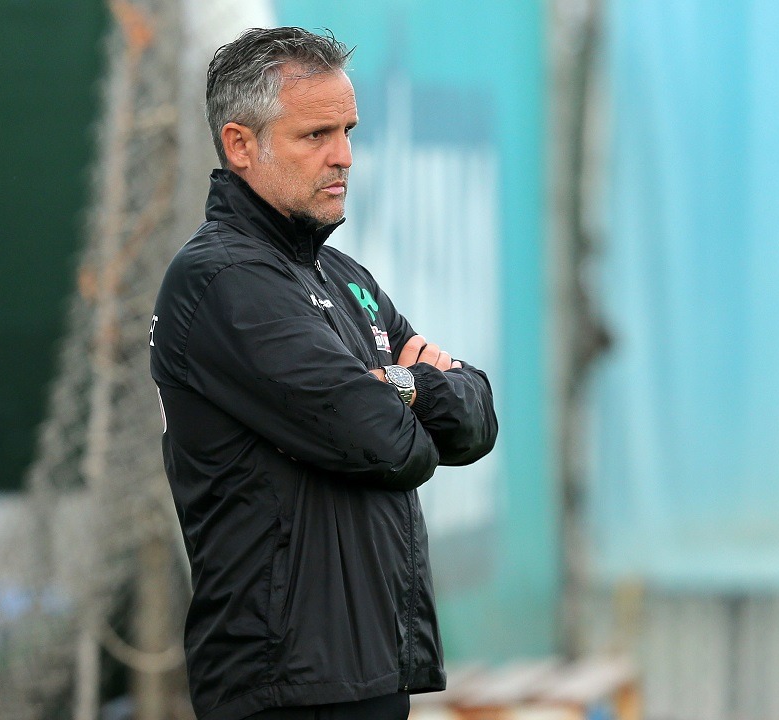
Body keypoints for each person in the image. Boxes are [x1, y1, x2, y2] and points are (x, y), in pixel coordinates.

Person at [149, 27, 498, 720]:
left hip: (368, 671)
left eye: (348, 132)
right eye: (316, 135)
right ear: (240, 144)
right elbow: (388, 444)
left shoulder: (342, 276)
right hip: (284, 686)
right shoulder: (224, 280)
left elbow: (475, 420)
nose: (343, 156)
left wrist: (397, 386)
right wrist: (400, 388)